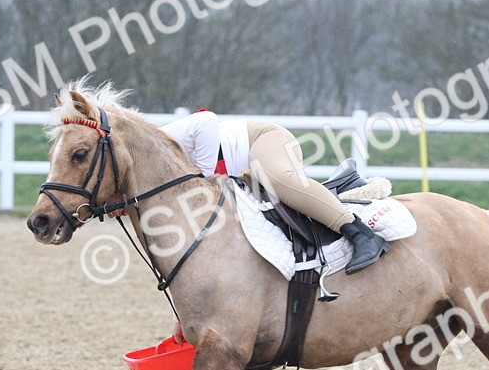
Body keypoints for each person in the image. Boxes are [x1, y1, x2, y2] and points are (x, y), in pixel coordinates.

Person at [161, 109, 389, 274]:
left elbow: (206, 120)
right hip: (245, 179)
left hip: (263, 140)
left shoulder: (160, 139)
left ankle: (362, 235)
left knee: (276, 180)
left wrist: (202, 178)